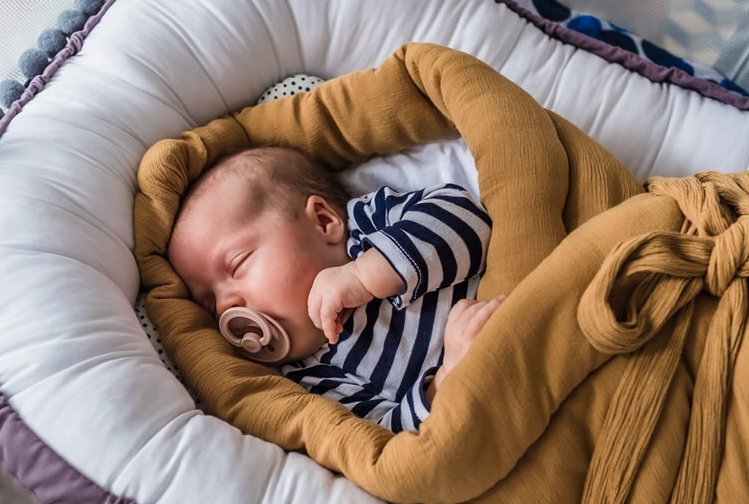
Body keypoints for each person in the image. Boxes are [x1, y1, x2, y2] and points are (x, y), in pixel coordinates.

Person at [166, 146, 504, 433]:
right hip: (482, 404)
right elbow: (385, 437)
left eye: (236, 264)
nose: (226, 306)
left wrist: (366, 274)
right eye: (209, 304)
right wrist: (447, 378)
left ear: (324, 222)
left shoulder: (371, 225)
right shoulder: (311, 379)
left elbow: (469, 220)